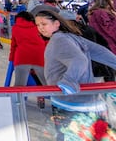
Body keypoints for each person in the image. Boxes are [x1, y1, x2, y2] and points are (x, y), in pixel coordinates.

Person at [34, 9, 116, 140]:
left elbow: (80, 60)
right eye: (38, 25)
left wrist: (68, 82)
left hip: (69, 103)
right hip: (85, 101)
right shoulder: (71, 37)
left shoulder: (59, 39)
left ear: (56, 24)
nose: (40, 28)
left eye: (44, 24)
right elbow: (100, 51)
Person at [8, 11, 46, 86]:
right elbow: (45, 42)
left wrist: (11, 58)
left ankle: (19, 97)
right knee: (48, 82)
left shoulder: (15, 28)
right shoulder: (38, 27)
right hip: (39, 56)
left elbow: (13, 45)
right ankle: (53, 96)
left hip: (22, 57)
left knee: (19, 85)